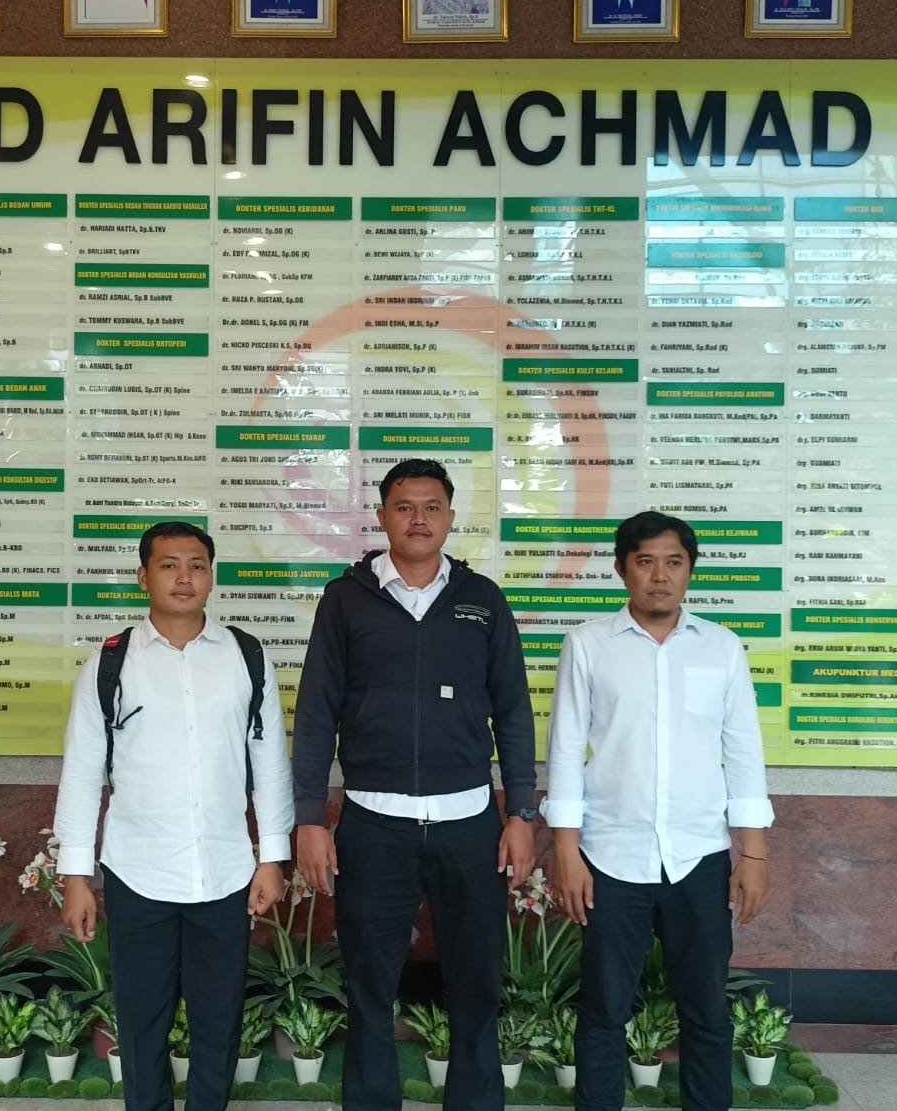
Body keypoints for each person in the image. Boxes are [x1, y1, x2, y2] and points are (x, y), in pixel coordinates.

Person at [293, 458, 536, 1111]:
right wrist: (310, 817)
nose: (419, 518)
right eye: (404, 507)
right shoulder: (345, 599)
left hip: (470, 825)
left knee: (477, 985)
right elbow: (315, 713)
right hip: (374, 825)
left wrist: (521, 812)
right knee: (370, 988)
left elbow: (513, 710)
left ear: (451, 517)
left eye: (432, 507)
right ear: (382, 516)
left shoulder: (483, 599)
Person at [53, 521, 293, 1111]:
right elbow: (82, 772)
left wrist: (273, 857)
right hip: (139, 870)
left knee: (219, 1019)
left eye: (197, 565)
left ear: (211, 577)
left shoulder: (246, 656)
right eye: (169, 565)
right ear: (143, 577)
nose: (184, 577)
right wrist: (75, 876)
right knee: (141, 1022)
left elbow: (269, 763)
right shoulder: (110, 663)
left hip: (226, 871)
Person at [544, 511, 773, 1111]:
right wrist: (566, 853)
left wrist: (753, 854)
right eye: (645, 562)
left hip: (698, 856)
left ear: (690, 570)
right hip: (610, 857)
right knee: (603, 1009)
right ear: (623, 570)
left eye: (674, 562)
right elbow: (565, 750)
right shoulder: (588, 645)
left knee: (707, 1009)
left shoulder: (721, 648)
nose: (660, 575)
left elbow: (743, 751)